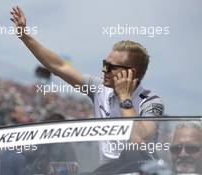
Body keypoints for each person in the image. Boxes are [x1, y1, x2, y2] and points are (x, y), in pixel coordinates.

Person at [10, 6, 164, 163]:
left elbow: (137, 140)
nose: (104, 70)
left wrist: (125, 97)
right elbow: (59, 66)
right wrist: (24, 36)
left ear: (132, 73)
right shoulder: (99, 89)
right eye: (105, 63)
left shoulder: (151, 101)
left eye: (111, 67)